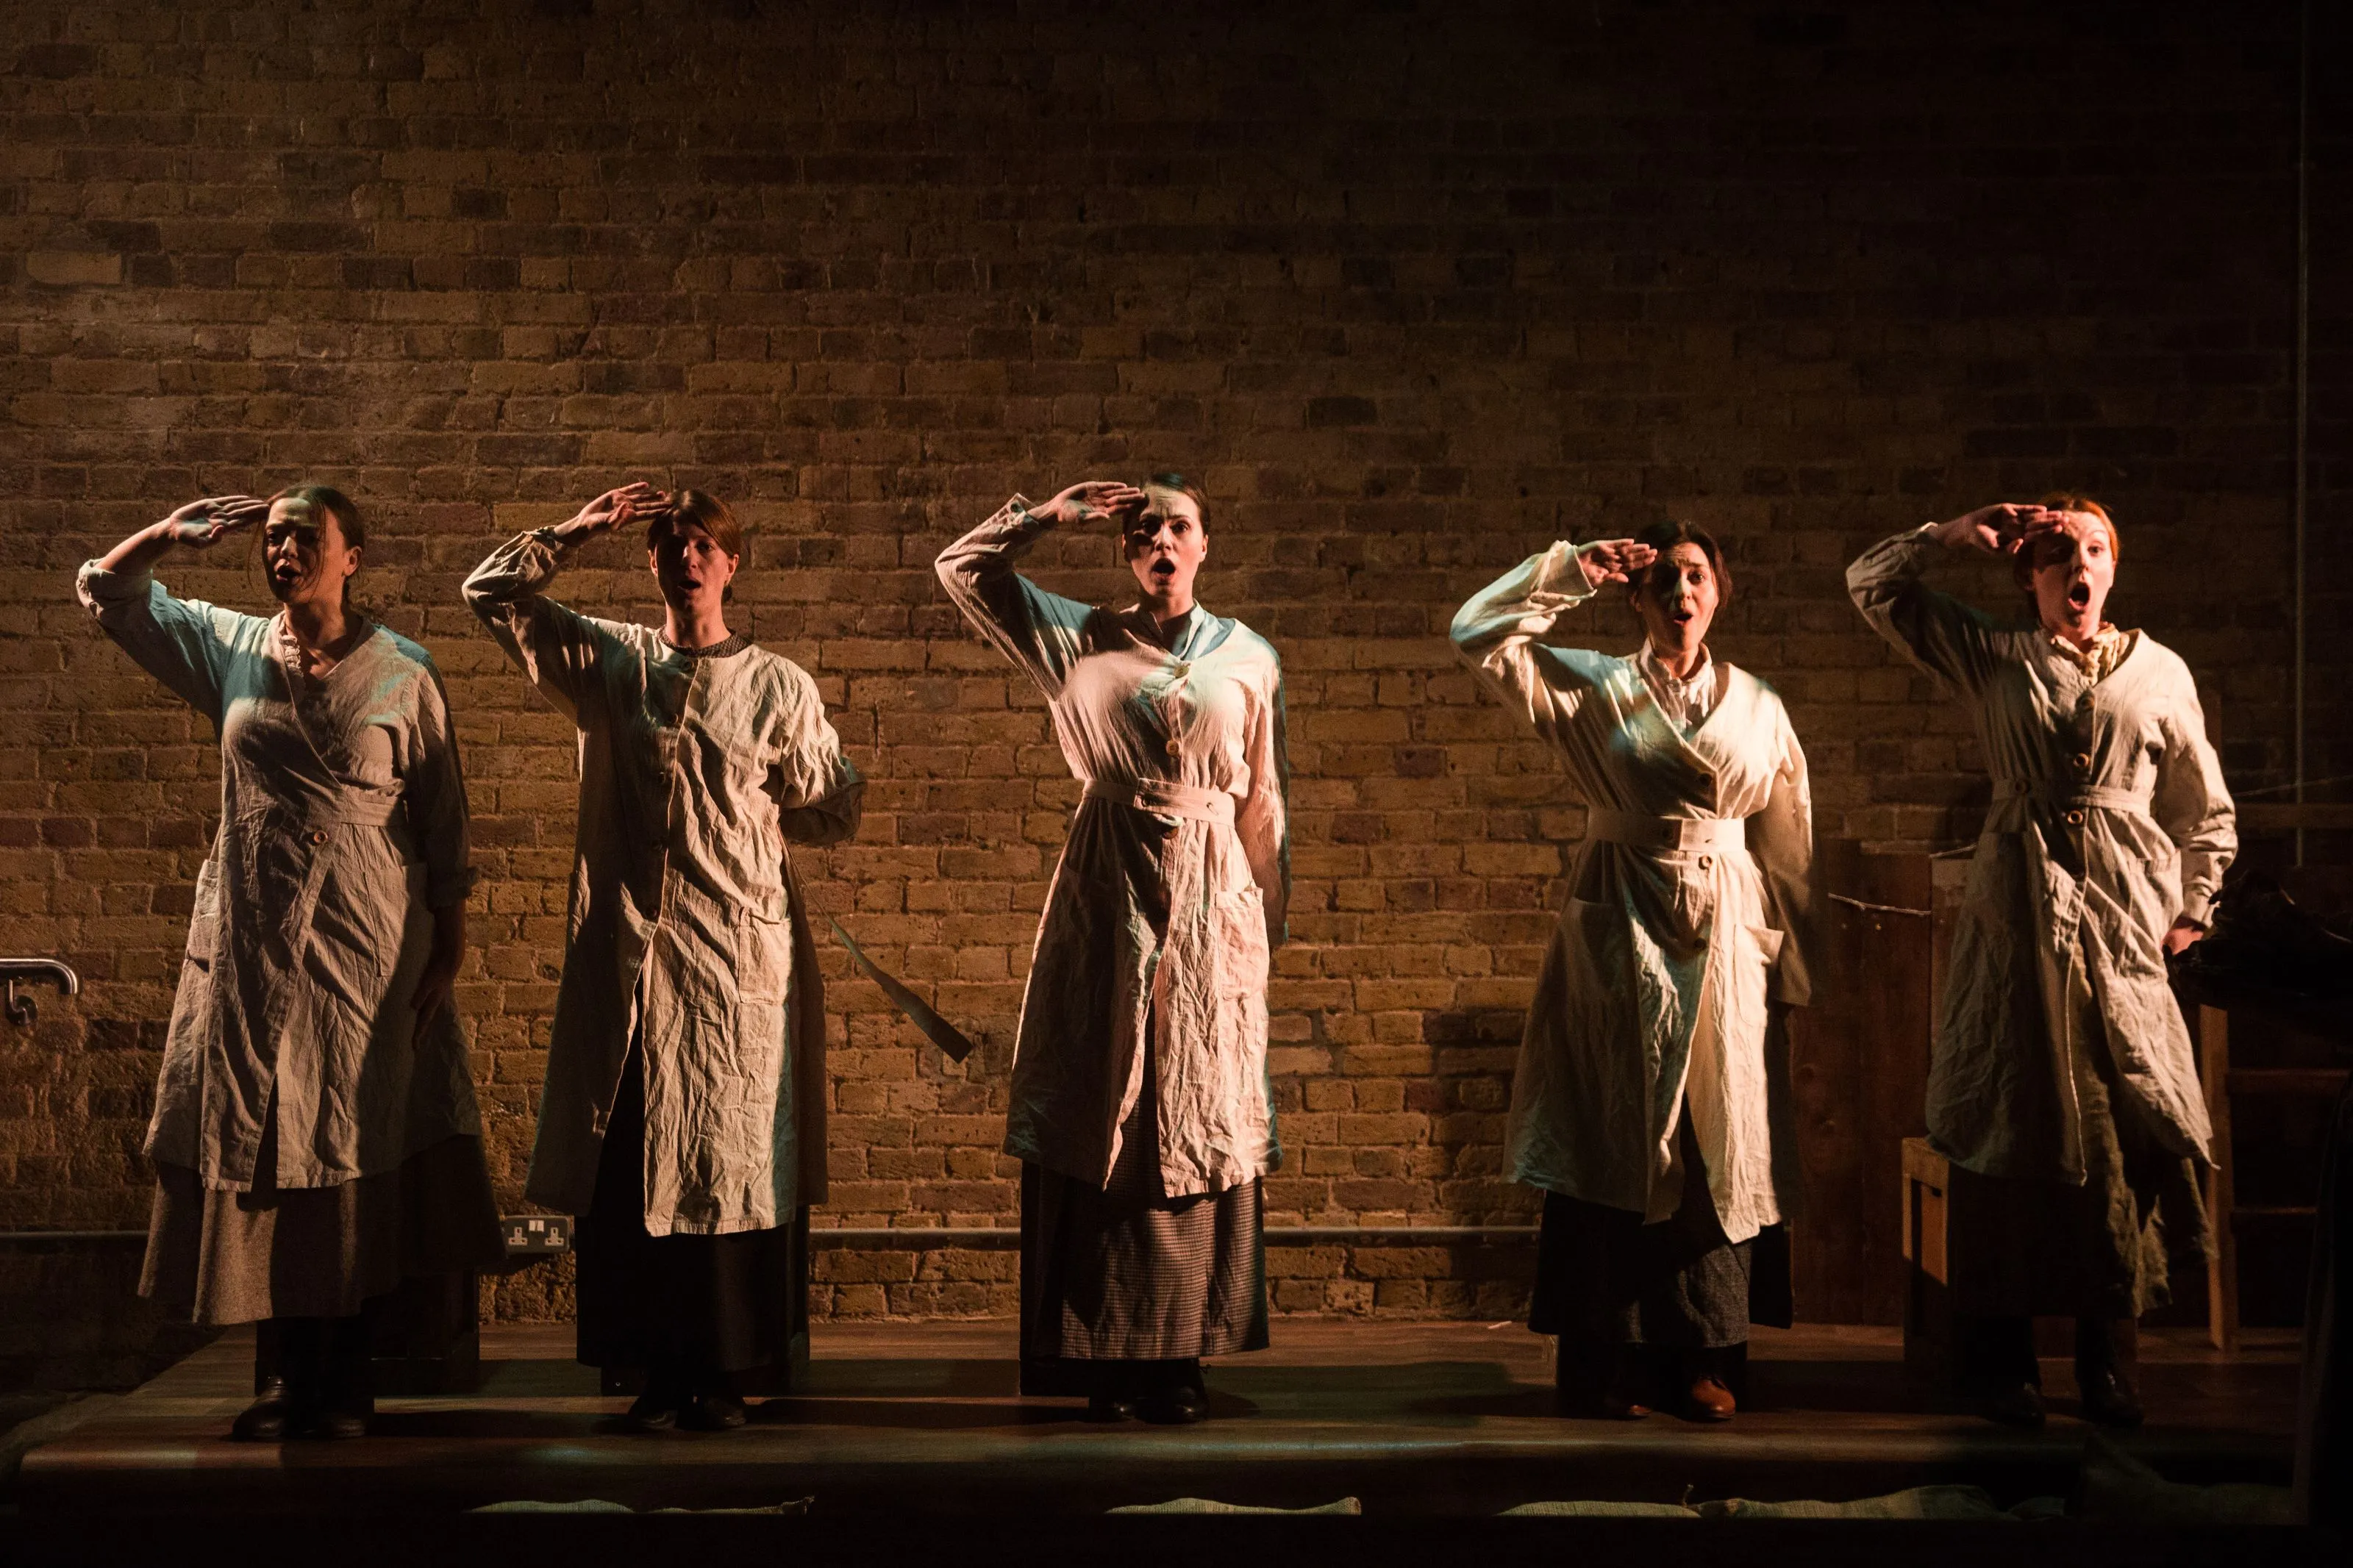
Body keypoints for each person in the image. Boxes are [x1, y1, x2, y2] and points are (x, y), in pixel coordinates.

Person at [77, 487, 501, 1440]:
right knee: (268, 1148)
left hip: (366, 944)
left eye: (305, 538)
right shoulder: (232, 647)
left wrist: (452, 945)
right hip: (254, 940)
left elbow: (443, 820)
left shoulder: (404, 674)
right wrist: (164, 533)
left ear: (352, 556)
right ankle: (281, 1376)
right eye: (273, 538)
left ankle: (344, 1381)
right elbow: (111, 593)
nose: (284, 551)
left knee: (348, 1153)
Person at [465, 484, 862, 1432]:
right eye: (670, 544)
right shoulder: (610, 664)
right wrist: (570, 527)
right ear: (650, 562)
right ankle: (651, 1373)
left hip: (736, 965)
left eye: (704, 545)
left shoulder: (778, 686)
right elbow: (490, 593)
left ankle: (724, 1373)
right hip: (634, 966)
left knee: (730, 1162)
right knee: (637, 1153)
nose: (687, 558)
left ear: (731, 565)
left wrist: (768, 816)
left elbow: (831, 803)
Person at [1848, 496, 2235, 1426]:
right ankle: (2001, 1363)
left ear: (2112, 568)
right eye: (2057, 551)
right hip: (2014, 920)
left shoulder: (2159, 673)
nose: (2078, 566)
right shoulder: (1994, 656)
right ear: (2028, 573)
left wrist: (2192, 911)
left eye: (2094, 548)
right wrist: (1945, 535)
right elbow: (1871, 587)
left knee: (2113, 1130)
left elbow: (2202, 809)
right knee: (2006, 1120)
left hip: (2120, 928)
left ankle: (2109, 1362)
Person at [936, 475, 1288, 1424]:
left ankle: (1180, 1357)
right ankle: (1101, 1354)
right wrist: (1046, 516)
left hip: (1215, 905)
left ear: (1206, 543)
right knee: (1108, 1105)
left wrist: (1264, 931)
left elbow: (1264, 801)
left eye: (1179, 526)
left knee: (1194, 1103)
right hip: (1109, 891)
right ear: (1126, 547)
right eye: (1144, 530)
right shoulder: (1080, 637)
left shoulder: (1250, 656)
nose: (1161, 541)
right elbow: (962, 570)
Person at [1452, 521, 1813, 1422]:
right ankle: (1596, 1359)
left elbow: (1787, 845)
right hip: (1619, 928)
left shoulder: (1758, 706)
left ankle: (1702, 1355)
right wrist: (1568, 571)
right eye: (1661, 583)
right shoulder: (1593, 687)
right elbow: (1476, 633)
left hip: (1724, 928)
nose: (1679, 595)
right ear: (1636, 600)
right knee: (1609, 1134)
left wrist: (1791, 972)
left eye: (1694, 578)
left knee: (1708, 1146)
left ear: (1718, 592)